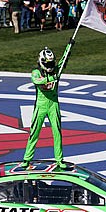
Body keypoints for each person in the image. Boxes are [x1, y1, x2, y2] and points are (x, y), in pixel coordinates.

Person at [21, 41, 75, 169]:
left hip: (53, 105)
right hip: (40, 105)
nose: (50, 66)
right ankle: (27, 158)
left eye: (51, 63)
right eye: (47, 64)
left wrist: (69, 46)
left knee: (57, 132)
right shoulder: (36, 72)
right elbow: (36, 80)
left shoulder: (56, 70)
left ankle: (59, 159)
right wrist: (52, 78)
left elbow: (64, 59)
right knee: (34, 132)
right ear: (41, 62)